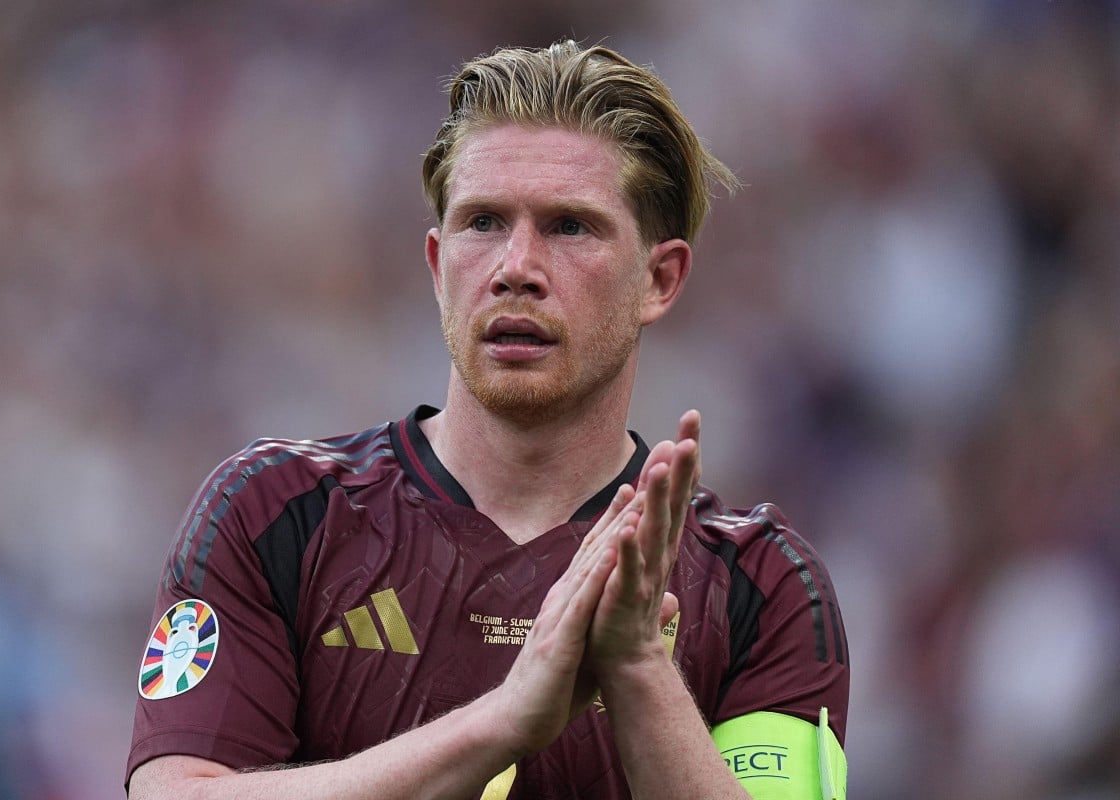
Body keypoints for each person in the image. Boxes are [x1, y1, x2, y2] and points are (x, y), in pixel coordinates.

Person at [126, 40, 849, 800]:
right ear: (438, 266)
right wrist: (501, 722)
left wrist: (638, 666)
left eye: (569, 227)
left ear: (658, 279)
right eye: (484, 222)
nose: (515, 268)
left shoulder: (759, 583)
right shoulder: (275, 512)